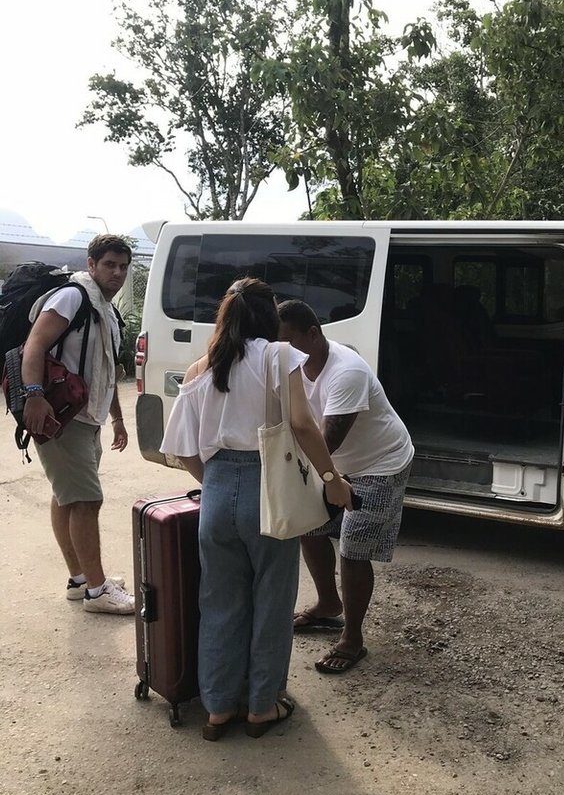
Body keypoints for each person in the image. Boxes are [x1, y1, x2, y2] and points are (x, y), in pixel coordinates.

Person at [160, 278, 352, 741]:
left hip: (218, 489)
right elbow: (304, 426)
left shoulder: (200, 369)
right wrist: (333, 481)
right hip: (269, 489)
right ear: (269, 314)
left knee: (219, 602)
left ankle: (218, 707)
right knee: (271, 600)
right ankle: (263, 705)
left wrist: (217, 484)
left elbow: (183, 449)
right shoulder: (278, 356)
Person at [278, 300, 414, 674]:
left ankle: (352, 639)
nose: (283, 352)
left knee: (353, 549)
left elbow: (327, 441)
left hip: (380, 464)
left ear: (314, 334)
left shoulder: (346, 371)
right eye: (278, 345)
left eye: (290, 343)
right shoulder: (289, 365)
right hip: (334, 464)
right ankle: (327, 605)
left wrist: (300, 473)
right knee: (309, 527)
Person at [21, 234, 135, 615]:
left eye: (123, 266)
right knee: (86, 499)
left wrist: (117, 418)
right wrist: (34, 396)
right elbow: (35, 345)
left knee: (66, 496)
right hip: (59, 415)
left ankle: (80, 579)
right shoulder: (73, 297)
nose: (117, 273)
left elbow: (108, 368)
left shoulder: (104, 307)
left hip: (87, 418)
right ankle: (97, 590)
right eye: (109, 265)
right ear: (91, 264)